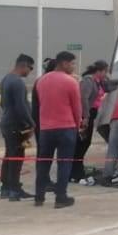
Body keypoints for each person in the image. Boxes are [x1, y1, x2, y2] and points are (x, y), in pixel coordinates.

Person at [33, 51, 83, 208]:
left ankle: (39, 197)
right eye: (72, 63)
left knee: (43, 164)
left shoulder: (40, 81)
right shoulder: (71, 82)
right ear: (64, 63)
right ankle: (61, 197)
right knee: (64, 163)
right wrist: (78, 126)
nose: (74, 67)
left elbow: (41, 104)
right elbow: (77, 108)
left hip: (46, 129)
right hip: (66, 127)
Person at [0, 53, 35, 201]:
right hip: (17, 126)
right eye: (30, 68)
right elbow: (21, 106)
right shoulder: (18, 82)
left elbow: (2, 103)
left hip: (7, 123)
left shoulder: (6, 79)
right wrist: (31, 123)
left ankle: (6, 188)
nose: (30, 72)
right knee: (17, 157)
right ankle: (14, 189)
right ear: (24, 65)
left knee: (9, 155)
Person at [72, 61, 109, 185]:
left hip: (91, 114)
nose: (106, 74)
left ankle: (77, 169)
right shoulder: (88, 81)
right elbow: (84, 99)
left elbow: (109, 87)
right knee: (82, 143)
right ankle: (75, 172)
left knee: (85, 143)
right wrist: (86, 117)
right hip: (85, 115)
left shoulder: (98, 82)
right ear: (98, 71)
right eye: (105, 71)